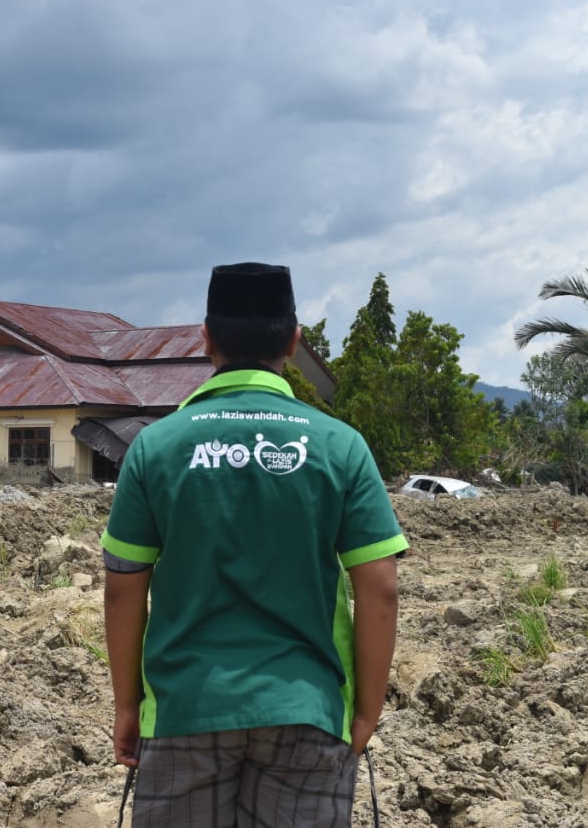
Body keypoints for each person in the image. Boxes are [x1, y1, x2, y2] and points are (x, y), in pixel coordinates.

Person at [102, 262, 406, 827]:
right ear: (293, 341)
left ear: (206, 338)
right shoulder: (341, 446)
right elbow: (380, 588)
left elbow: (122, 591)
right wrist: (365, 712)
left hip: (184, 709)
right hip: (307, 711)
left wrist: (127, 705)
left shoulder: (155, 448)